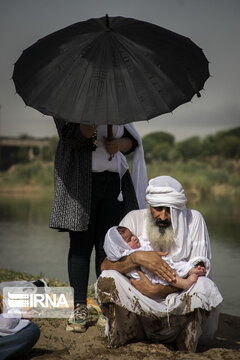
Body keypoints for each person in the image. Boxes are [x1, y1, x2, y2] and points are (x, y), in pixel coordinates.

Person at [96, 176, 223, 351]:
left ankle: (184, 335)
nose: (163, 217)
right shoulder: (133, 218)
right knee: (108, 277)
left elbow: (201, 270)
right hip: (138, 299)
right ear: (149, 204)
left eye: (170, 210)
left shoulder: (195, 220)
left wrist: (158, 290)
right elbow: (106, 265)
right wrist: (137, 258)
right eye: (158, 209)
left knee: (203, 284)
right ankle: (126, 332)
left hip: (177, 298)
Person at [49, 120, 148, 333]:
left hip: (113, 183)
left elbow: (132, 141)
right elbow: (70, 136)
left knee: (108, 248)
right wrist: (91, 121)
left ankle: (106, 306)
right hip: (81, 182)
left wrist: (120, 144)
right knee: (81, 246)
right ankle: (79, 308)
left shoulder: (116, 103)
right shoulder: (73, 102)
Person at [104, 225, 207, 291]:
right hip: (153, 274)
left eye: (132, 235)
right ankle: (184, 284)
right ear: (121, 248)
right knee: (169, 275)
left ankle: (190, 270)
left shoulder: (139, 243)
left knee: (177, 263)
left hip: (162, 263)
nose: (134, 238)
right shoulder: (127, 255)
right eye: (129, 239)